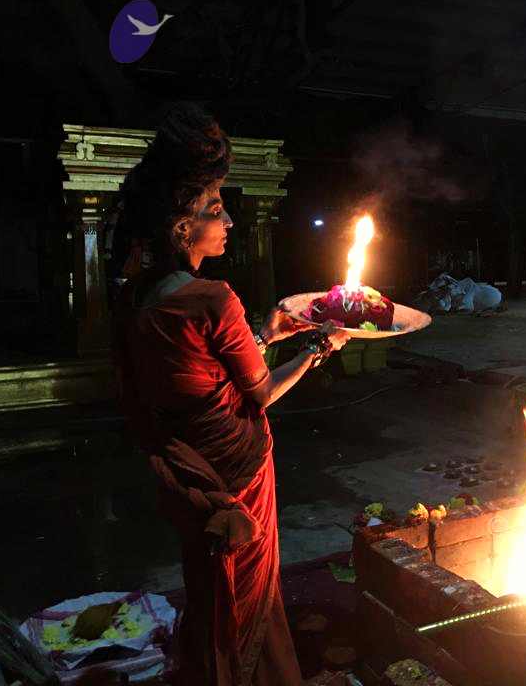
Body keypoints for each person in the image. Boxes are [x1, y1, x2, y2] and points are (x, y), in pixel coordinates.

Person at [110, 103, 350, 685]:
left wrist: (264, 334)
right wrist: (320, 348)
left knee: (210, 585)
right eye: (215, 210)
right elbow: (259, 393)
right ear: (181, 228)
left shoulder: (145, 296)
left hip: (192, 468)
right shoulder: (213, 298)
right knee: (245, 595)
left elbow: (205, 373)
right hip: (235, 473)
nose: (229, 221)